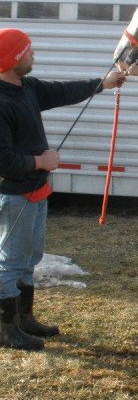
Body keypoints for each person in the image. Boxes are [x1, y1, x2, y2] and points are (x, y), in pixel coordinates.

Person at [0, 28, 126, 350]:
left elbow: (64, 90)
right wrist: (40, 161)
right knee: (10, 262)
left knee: (30, 258)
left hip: (36, 192)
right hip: (14, 195)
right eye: (27, 51)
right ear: (12, 58)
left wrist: (103, 83)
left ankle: (24, 319)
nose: (33, 55)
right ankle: (6, 330)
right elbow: (3, 160)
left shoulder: (27, 87)